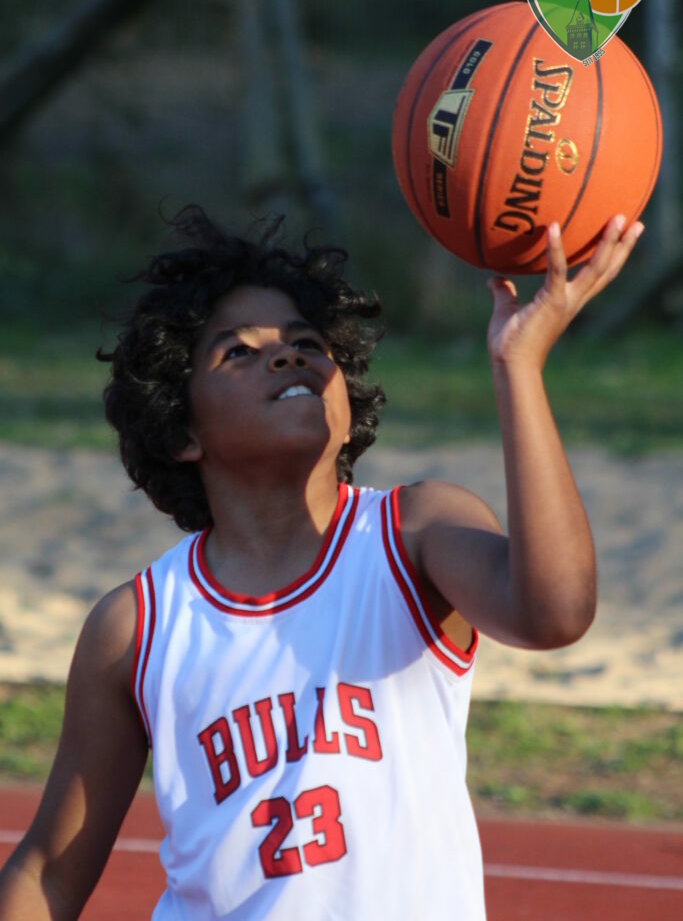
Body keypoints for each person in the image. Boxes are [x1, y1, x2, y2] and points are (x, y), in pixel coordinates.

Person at [0, 205, 643, 920]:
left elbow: (555, 613)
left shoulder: (413, 533)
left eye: (306, 341)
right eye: (238, 353)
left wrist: (517, 366)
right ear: (181, 429)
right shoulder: (137, 627)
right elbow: (48, 873)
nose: (287, 354)